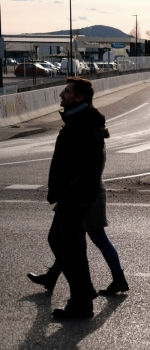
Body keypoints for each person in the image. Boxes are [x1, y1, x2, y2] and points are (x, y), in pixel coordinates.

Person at [27, 134, 129, 297]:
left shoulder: (88, 137)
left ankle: (103, 282)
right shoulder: (93, 136)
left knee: (87, 238)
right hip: (78, 193)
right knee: (67, 238)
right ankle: (53, 276)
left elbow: (78, 170)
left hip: (83, 194)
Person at [45, 77, 107, 319]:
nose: (61, 95)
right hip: (73, 195)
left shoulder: (80, 125)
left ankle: (81, 303)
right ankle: (84, 291)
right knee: (59, 241)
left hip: (75, 196)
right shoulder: (81, 120)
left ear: (79, 97)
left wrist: (66, 190)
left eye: (67, 92)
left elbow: (82, 167)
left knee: (72, 248)